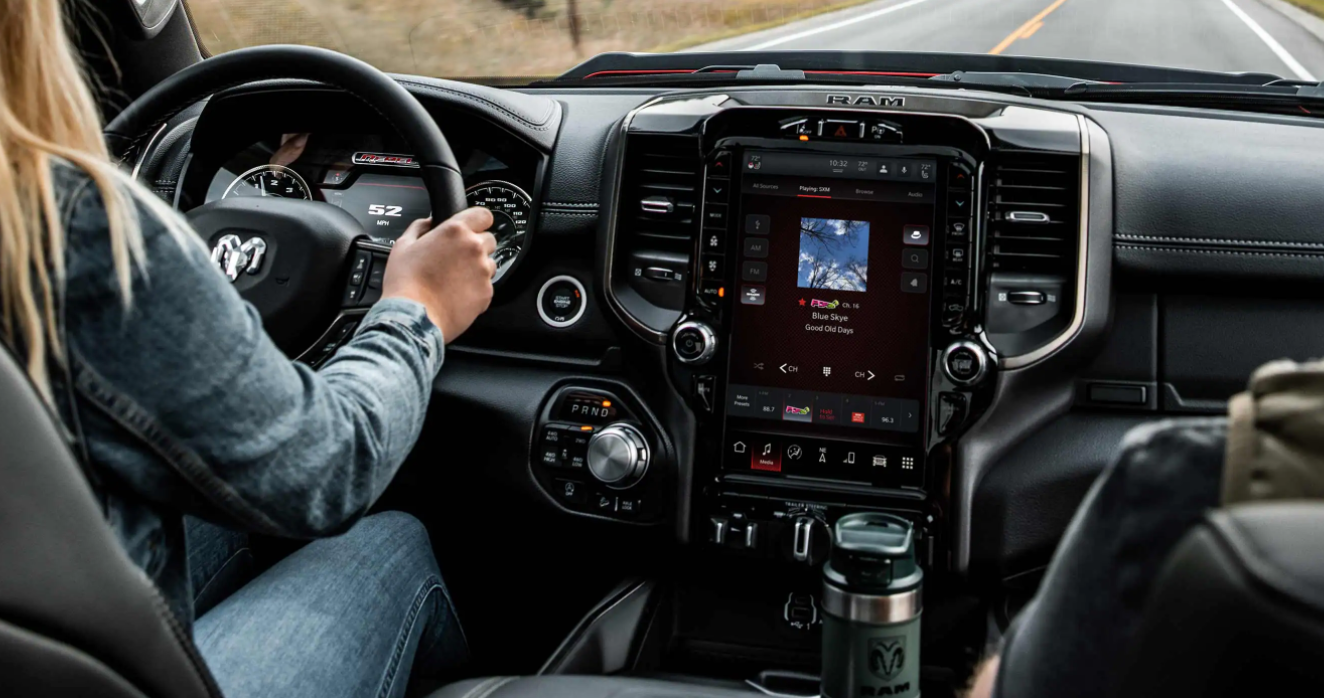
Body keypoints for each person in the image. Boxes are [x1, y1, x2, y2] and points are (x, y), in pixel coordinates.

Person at [0, 2, 496, 697]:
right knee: (387, 540)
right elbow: (329, 467)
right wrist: (419, 308)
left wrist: (268, 175)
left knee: (232, 516)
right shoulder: (71, 227)